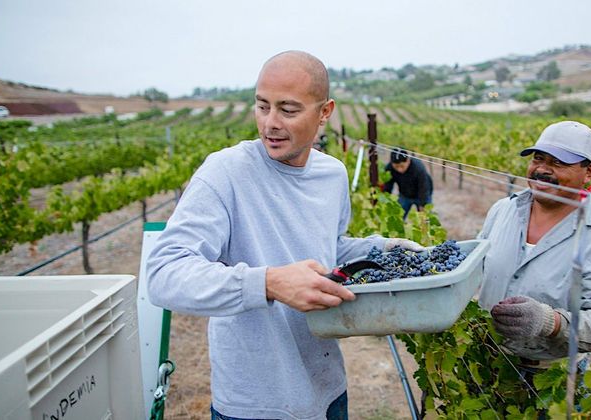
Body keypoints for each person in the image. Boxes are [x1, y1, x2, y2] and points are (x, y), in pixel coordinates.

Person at [146, 51, 423, 420]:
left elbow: (328, 249)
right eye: (262, 106)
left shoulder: (333, 175)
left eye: (288, 110)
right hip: (254, 404)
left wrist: (383, 248)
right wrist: (269, 283)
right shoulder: (224, 173)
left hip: (328, 389)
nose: (270, 123)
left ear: (325, 112)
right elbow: (164, 275)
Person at [477, 120, 591, 370]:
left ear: (589, 172)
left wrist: (551, 322)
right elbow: (473, 264)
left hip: (546, 379)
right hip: (482, 356)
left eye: (558, 163)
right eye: (538, 159)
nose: (542, 170)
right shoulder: (503, 210)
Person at [382, 147, 433, 219]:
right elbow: (388, 185)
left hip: (421, 194)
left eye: (402, 166)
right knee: (397, 217)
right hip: (405, 194)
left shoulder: (418, 168)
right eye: (396, 167)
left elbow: (424, 188)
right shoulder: (389, 168)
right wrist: (385, 200)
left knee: (425, 220)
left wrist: (423, 205)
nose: (399, 169)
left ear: (408, 161)